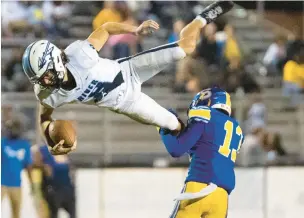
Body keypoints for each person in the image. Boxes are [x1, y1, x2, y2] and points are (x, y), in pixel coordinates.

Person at [22, 1, 235, 155]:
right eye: (41, 79)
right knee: (174, 126)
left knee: (184, 49)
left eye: (46, 75)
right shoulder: (47, 94)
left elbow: (105, 29)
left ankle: (200, 19)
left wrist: (136, 29)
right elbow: (44, 119)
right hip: (126, 103)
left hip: (130, 70)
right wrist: (51, 142)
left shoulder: (79, 54)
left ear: (56, 61)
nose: (45, 82)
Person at [158, 87, 244, 218]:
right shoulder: (237, 128)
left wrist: (163, 128)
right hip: (221, 197)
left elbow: (176, 149)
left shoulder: (205, 114)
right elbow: (206, 148)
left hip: (198, 188)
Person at [32, 144, 76, 218]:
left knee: (72, 214)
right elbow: (35, 163)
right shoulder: (42, 149)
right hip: (53, 188)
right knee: (53, 214)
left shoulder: (63, 147)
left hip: (67, 188)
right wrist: (43, 166)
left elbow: (69, 164)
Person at [1, 117, 33, 218]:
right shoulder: (2, 142)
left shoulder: (24, 145)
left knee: (16, 213)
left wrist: (31, 182)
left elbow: (28, 165)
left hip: (16, 184)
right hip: (1, 183)